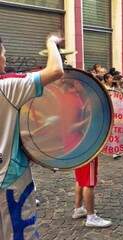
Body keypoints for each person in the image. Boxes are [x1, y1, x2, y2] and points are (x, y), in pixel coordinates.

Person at [0, 34, 64, 239]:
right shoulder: (7, 87)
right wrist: (51, 43)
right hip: (9, 180)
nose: (6, 59)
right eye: (3, 54)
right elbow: (56, 70)